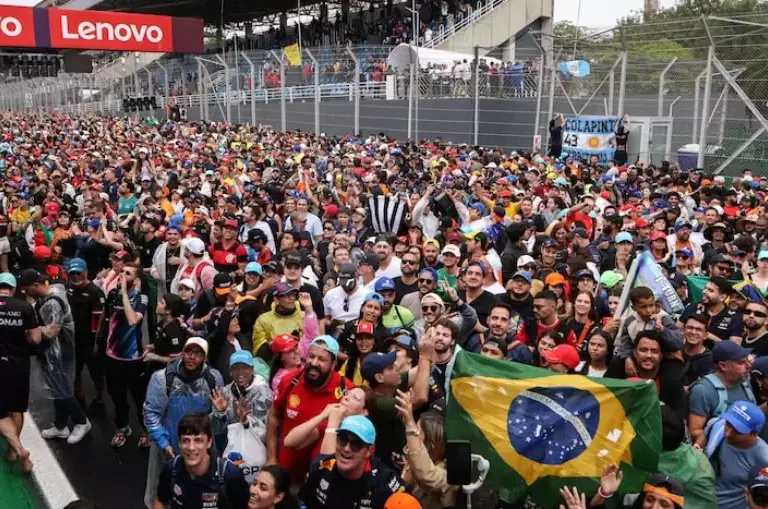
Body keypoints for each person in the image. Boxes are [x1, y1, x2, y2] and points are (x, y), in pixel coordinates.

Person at [143, 337, 225, 508]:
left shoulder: (214, 379)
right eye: (188, 352)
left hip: (201, 450)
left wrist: (220, 412)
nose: (191, 357)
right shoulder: (162, 379)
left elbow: (216, 425)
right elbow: (151, 414)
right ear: (182, 353)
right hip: (167, 448)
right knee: (162, 494)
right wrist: (163, 443)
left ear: (205, 358)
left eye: (198, 353)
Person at [266, 336, 354, 483]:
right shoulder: (290, 382)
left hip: (322, 479)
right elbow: (274, 416)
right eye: (311, 356)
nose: (314, 363)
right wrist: (271, 457)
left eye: (322, 359)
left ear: (333, 364)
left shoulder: (346, 390)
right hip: (286, 473)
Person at [20, 268, 91, 444]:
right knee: (56, 388)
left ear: (36, 285)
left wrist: (32, 329)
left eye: (26, 288)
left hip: (60, 352)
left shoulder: (53, 302)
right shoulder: (50, 293)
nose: (24, 292)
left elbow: (52, 331)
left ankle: (82, 421)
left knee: (62, 388)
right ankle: (61, 425)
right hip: (51, 352)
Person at [299, 415, 405, 509]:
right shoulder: (319, 467)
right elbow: (306, 503)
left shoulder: (386, 484)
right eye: (343, 439)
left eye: (356, 444)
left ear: (369, 451)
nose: (346, 449)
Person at [98, 262, 150, 448]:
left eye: (127, 273)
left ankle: (146, 430)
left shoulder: (141, 297)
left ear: (135, 279)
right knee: (116, 396)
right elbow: (105, 319)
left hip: (133, 359)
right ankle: (122, 428)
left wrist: (125, 294)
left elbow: (132, 319)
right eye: (121, 272)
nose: (121, 276)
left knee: (139, 397)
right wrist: (99, 342)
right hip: (112, 356)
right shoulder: (112, 294)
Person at [154, 412, 249, 509]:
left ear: (209, 442)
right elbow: (161, 500)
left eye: (198, 440)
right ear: (179, 443)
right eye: (186, 440)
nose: (191, 448)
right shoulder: (171, 469)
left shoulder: (230, 475)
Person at [0, 272, 40, 473]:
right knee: (17, 408)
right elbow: (36, 339)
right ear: (13, 289)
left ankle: (16, 447)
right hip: (19, 365)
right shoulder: (24, 307)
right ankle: (12, 451)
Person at [395, 390, 456, 509]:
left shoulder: (448, 473)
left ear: (431, 444)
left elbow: (426, 475)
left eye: (417, 434)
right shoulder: (414, 459)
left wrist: (409, 424)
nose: (412, 440)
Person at [688, 341, 756, 449]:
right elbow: (694, 431)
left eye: (747, 361)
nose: (748, 366)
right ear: (723, 366)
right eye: (741, 363)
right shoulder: (703, 390)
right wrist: (735, 437)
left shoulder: (744, 381)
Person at [64, 258, 106, 414]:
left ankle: (99, 397)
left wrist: (97, 343)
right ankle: (78, 396)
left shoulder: (95, 292)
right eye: (72, 273)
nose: (75, 276)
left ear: (86, 272)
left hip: (90, 341)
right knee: (74, 371)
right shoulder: (68, 288)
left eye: (78, 273)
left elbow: (100, 321)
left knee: (96, 372)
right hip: (73, 339)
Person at [714, 401, 768, 509]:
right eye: (728, 425)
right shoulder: (718, 427)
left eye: (738, 431)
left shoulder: (764, 458)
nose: (728, 433)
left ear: (754, 434)